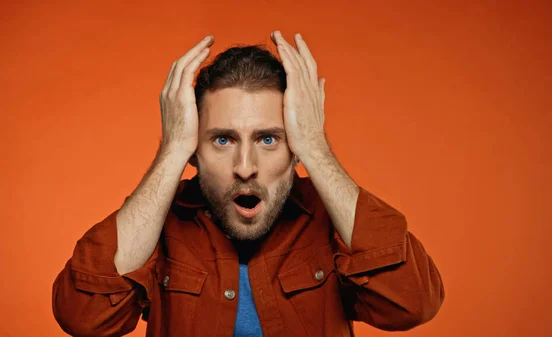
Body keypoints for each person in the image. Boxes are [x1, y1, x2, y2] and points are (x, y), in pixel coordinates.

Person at [52, 31, 444, 337]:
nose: (245, 167)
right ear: (194, 149)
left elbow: (414, 303)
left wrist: (315, 145)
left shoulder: (331, 222)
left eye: (268, 139)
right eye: (222, 139)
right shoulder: (160, 226)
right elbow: (84, 317)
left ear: (295, 146)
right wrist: (171, 150)